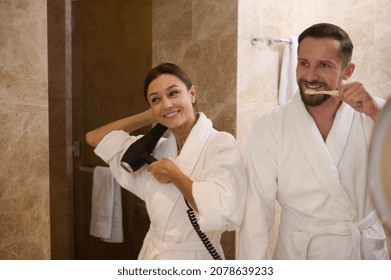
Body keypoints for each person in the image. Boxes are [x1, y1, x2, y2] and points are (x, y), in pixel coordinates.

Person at [237, 23, 389, 259]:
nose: (310, 76)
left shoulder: (373, 114)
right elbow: (256, 211)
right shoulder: (270, 126)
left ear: (347, 71)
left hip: (361, 252)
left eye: (324, 65)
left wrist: (376, 115)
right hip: (300, 255)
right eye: (303, 63)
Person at [86, 62, 247, 260]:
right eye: (156, 99)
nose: (167, 104)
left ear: (192, 93)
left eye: (173, 93)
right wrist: (149, 116)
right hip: (155, 255)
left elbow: (225, 211)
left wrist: (175, 175)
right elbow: (94, 138)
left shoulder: (221, 144)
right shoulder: (157, 149)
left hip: (194, 258)